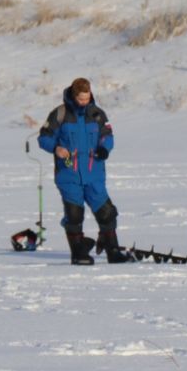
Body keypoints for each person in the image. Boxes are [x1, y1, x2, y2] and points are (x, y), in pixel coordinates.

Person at [38, 77, 125, 264]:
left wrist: (104, 148)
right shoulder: (59, 114)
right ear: (73, 95)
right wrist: (56, 148)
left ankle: (113, 249)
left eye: (87, 98)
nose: (84, 102)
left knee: (107, 213)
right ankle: (78, 253)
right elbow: (43, 138)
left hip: (94, 174)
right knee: (74, 215)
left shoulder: (97, 114)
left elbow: (108, 136)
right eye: (81, 99)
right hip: (68, 175)